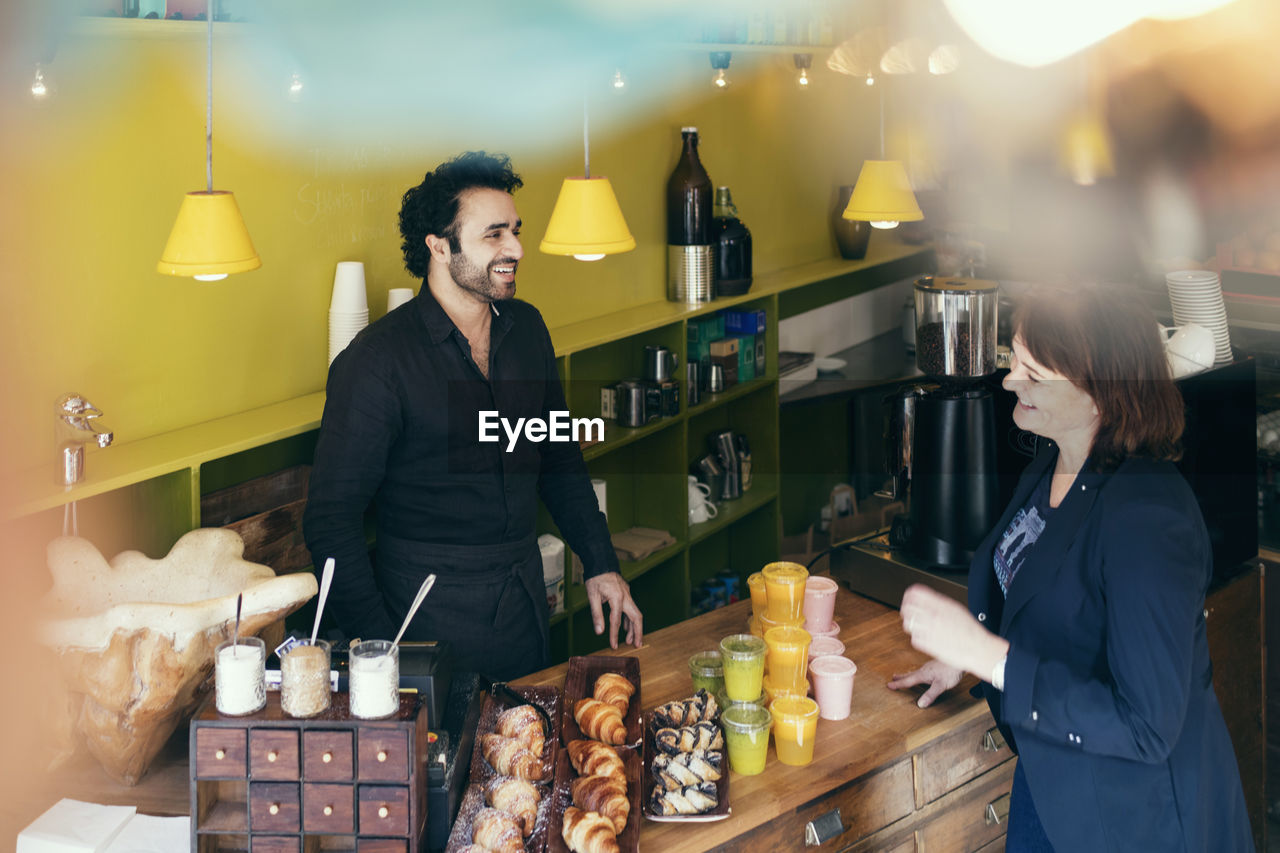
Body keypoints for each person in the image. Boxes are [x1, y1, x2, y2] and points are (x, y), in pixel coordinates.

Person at [887, 286, 1253, 851]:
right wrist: (967, 655)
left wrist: (989, 656)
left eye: (1035, 374)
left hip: (1132, 819)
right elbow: (1048, 598)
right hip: (1054, 777)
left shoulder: (1147, 519)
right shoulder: (1055, 459)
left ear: (1098, 396)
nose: (1010, 381)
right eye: (1015, 360)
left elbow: (1147, 727)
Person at [303, 151, 642, 681]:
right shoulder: (377, 363)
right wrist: (381, 649)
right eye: (494, 235)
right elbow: (330, 524)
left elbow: (557, 456)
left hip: (522, 604)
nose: (516, 249)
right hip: (421, 619)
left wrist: (600, 562)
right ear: (439, 246)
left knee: (525, 752)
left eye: (515, 231)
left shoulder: (526, 330)